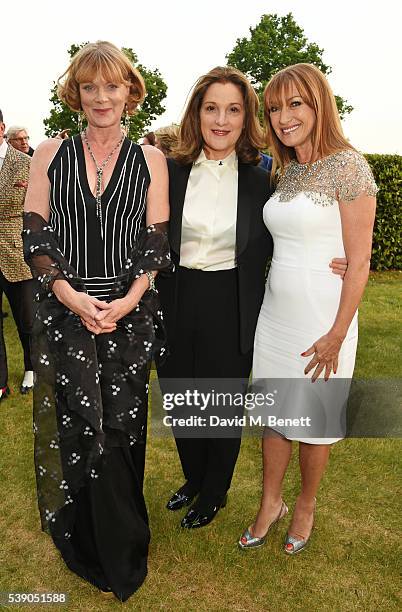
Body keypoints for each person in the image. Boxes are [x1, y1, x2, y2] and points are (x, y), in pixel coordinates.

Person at [156, 66, 347, 530]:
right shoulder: (168, 169)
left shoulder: (266, 175)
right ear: (196, 114)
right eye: (212, 108)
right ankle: (193, 478)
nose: (221, 120)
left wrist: (338, 257)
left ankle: (215, 491)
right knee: (180, 393)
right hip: (175, 292)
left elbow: (304, 220)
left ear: (247, 119)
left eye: (234, 110)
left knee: (219, 401)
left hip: (233, 299)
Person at [22, 41, 171, 600]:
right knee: (79, 423)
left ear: (130, 92)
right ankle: (86, 539)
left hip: (129, 315)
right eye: (89, 87)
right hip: (66, 311)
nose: (101, 96)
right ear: (76, 93)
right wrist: (67, 294)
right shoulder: (48, 151)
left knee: (119, 429)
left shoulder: (150, 159)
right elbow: (35, 231)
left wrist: (129, 300)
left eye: (112, 86)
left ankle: (125, 546)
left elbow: (156, 243)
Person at [238, 63, 377, 554]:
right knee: (275, 416)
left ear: (319, 105)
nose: (283, 116)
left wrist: (338, 332)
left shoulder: (350, 165)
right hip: (275, 314)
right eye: (274, 108)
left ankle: (306, 504)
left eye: (295, 103)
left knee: (314, 423)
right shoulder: (286, 169)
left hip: (324, 316)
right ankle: (270, 501)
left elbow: (359, 262)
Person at [0, 109, 35, 399]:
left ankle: (31, 368)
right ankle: (0, 381)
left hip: (16, 251)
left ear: (1, 128)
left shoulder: (25, 164)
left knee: (26, 318)